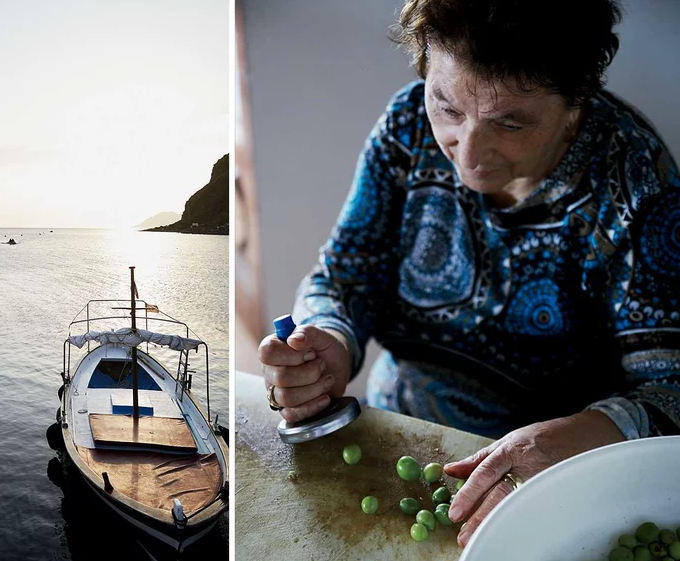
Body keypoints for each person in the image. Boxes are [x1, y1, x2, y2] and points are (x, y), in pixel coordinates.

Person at [257, 0, 679, 548]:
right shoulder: (407, 125)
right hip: (407, 429)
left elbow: (670, 391)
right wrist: (328, 340)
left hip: (563, 472)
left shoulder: (637, 181)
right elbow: (343, 276)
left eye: (510, 121)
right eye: (448, 107)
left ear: (577, 104)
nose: (470, 155)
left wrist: (577, 441)